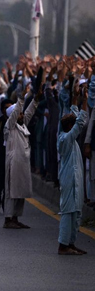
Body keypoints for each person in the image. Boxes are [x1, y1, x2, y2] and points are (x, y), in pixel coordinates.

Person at [3, 81, 42, 230]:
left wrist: (36, 99)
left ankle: (16, 217)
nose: (21, 115)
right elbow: (18, 111)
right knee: (11, 192)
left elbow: (30, 111)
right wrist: (21, 98)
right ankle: (8, 219)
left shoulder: (22, 123)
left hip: (23, 164)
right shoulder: (10, 125)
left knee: (21, 192)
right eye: (19, 113)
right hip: (13, 163)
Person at [56, 86, 89, 255]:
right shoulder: (65, 139)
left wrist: (76, 98)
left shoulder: (68, 135)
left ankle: (71, 242)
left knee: (77, 212)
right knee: (68, 212)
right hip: (69, 178)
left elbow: (75, 115)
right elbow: (81, 121)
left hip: (75, 177)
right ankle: (63, 245)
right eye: (73, 122)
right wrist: (85, 100)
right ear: (69, 126)